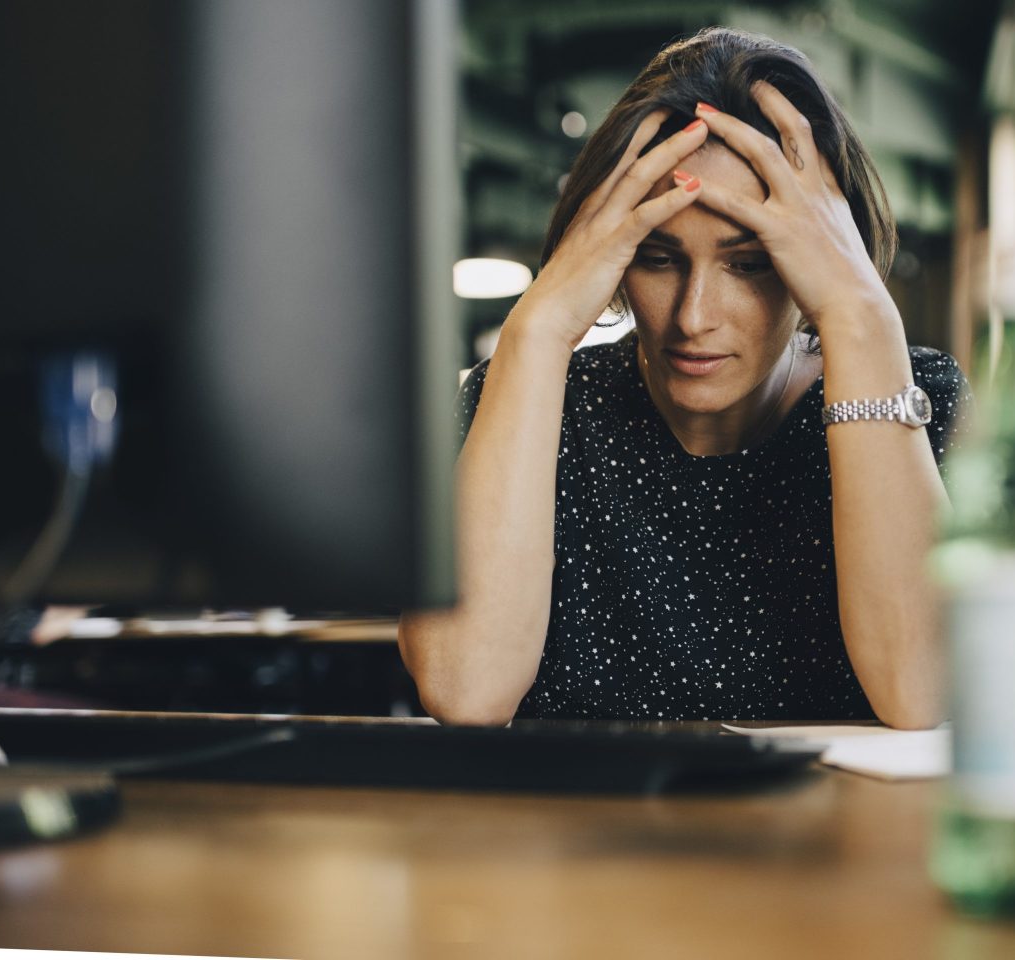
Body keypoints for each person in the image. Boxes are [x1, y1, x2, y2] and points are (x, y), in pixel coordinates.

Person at [399, 27, 968, 728]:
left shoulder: (922, 399)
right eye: (658, 258)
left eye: (751, 263)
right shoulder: (516, 399)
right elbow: (464, 690)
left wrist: (860, 316)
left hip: (831, 838)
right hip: (579, 836)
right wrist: (538, 328)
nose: (694, 317)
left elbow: (925, 695)